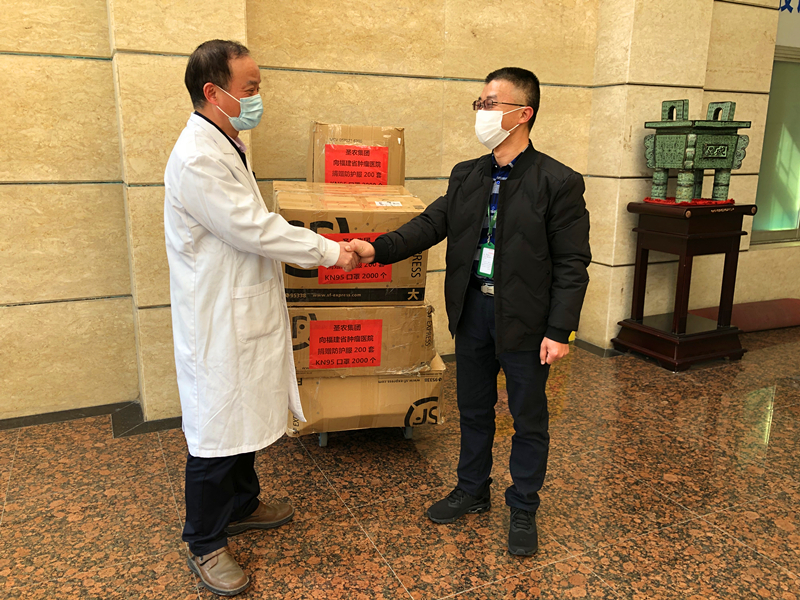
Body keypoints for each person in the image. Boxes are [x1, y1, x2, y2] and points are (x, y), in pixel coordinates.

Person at [352, 67, 591, 556]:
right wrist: (376, 249)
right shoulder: (468, 174)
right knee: (474, 409)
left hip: (526, 321)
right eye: (479, 103)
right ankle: (472, 488)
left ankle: (523, 505)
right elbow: (430, 224)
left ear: (522, 114)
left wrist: (560, 329)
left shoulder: (558, 181)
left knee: (528, 418)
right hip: (473, 312)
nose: (481, 112)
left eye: (491, 103)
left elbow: (572, 262)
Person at [163, 40, 359, 596]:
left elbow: (252, 225)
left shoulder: (227, 140)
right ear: (213, 92)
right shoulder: (199, 157)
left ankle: (243, 505)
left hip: (240, 307)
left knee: (244, 410)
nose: (257, 97)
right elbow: (253, 228)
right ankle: (204, 542)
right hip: (217, 319)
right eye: (249, 89)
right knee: (216, 428)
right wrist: (329, 251)